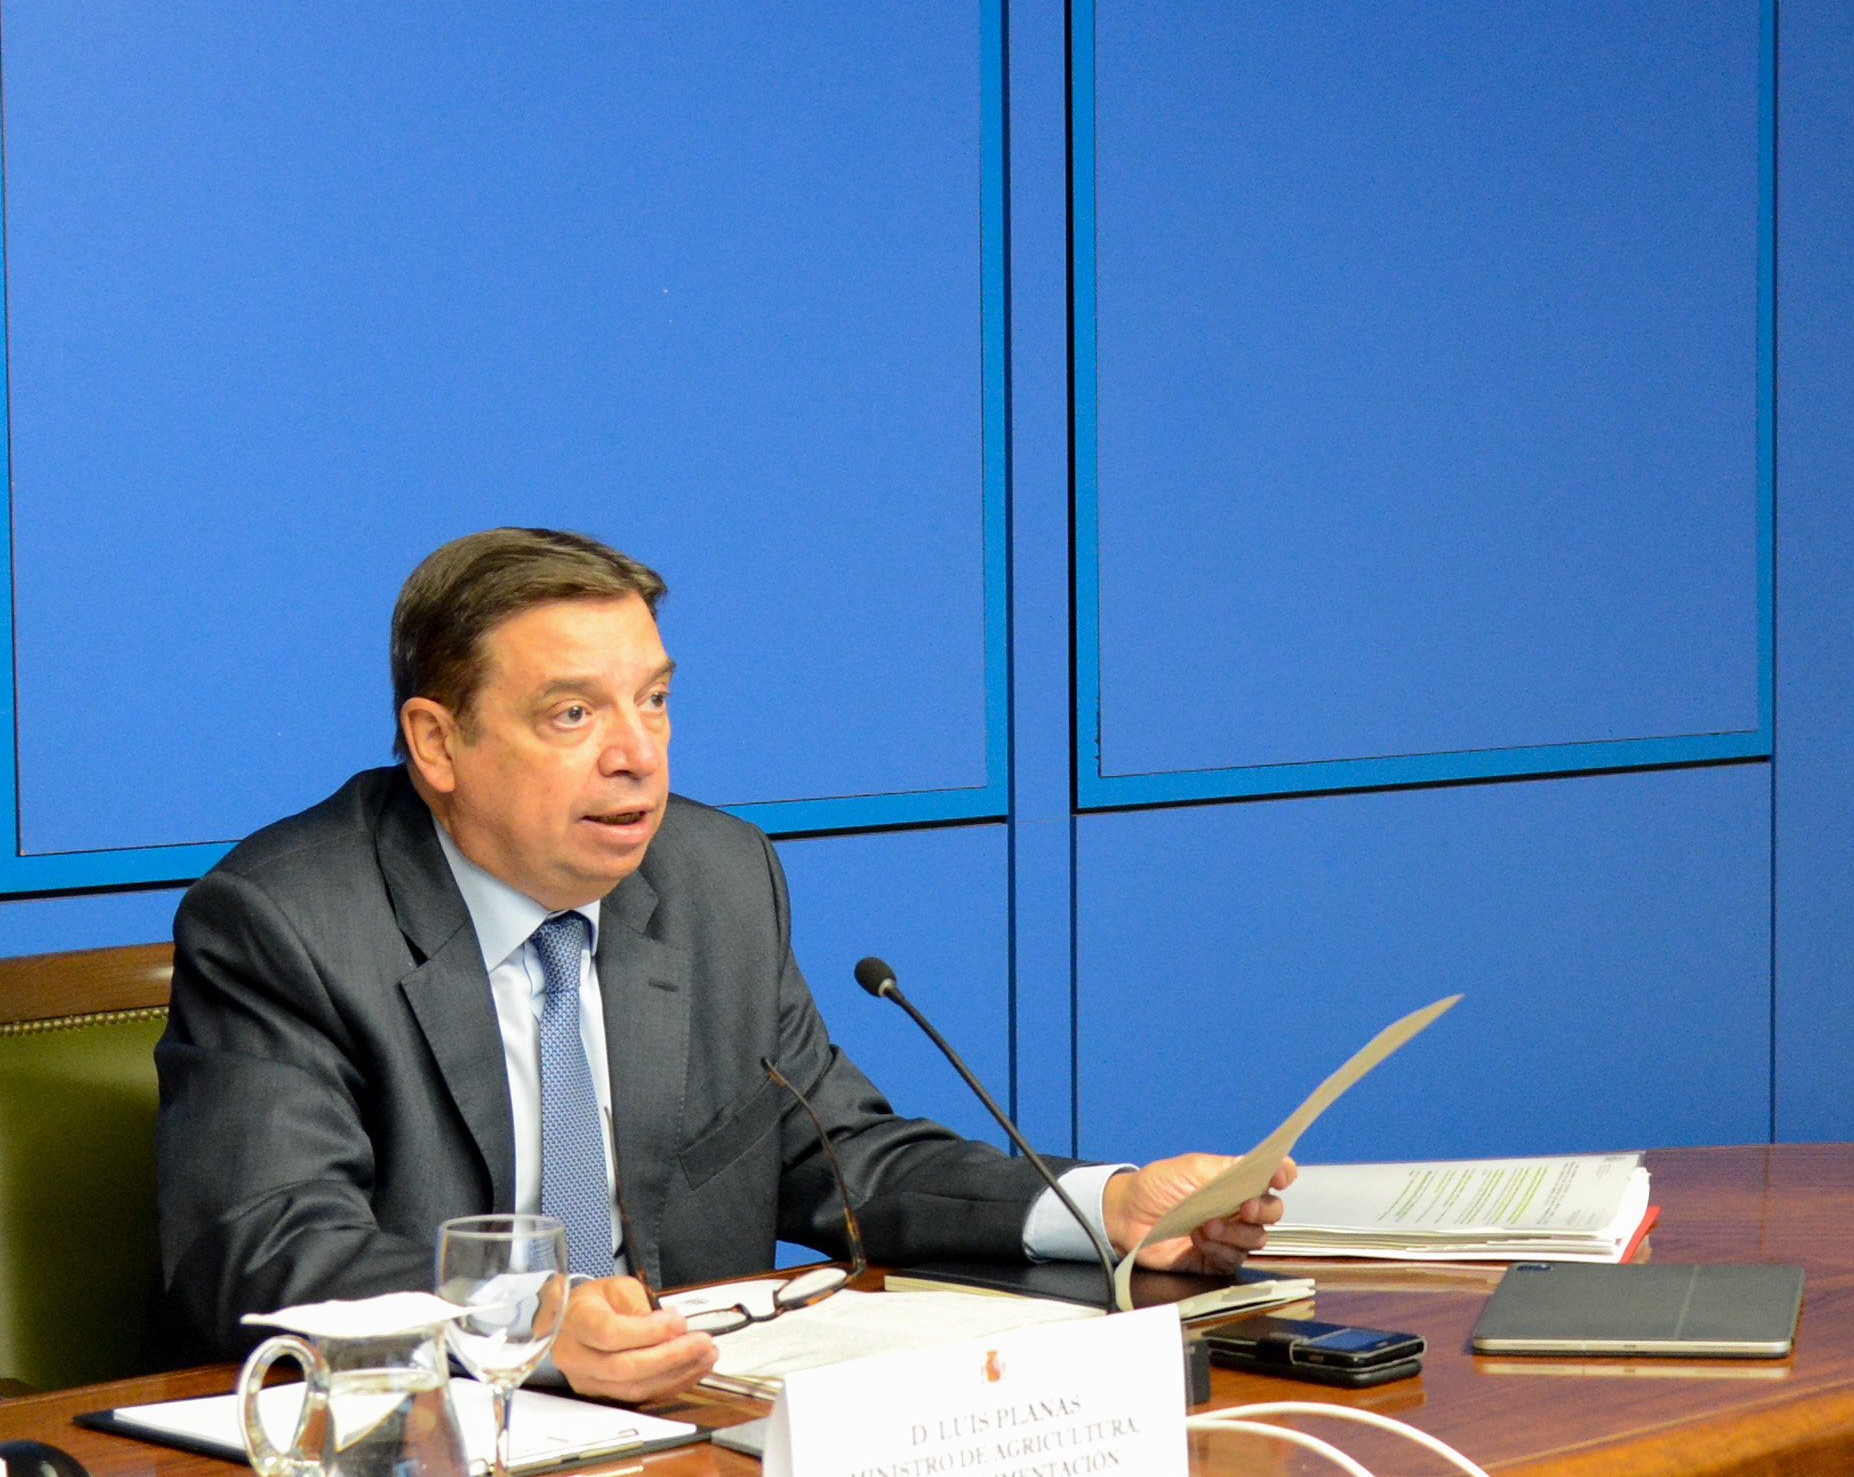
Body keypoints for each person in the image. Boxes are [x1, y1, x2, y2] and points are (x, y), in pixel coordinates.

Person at [156, 527, 1288, 1402]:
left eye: (653, 700)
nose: (635, 754)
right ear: (437, 742)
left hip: (690, 1429)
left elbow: (837, 1154)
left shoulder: (714, 878)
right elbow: (264, 1245)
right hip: (430, 1466)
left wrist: (1107, 1208)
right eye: (571, 713)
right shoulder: (287, 920)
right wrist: (529, 1323)